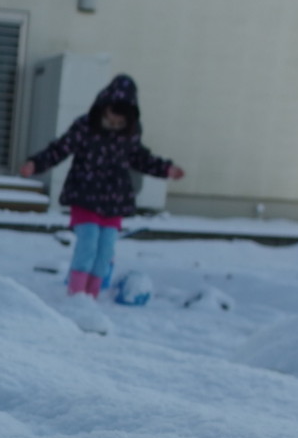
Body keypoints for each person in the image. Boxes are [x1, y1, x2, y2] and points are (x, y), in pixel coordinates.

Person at [20, 74, 184, 299]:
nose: (115, 125)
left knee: (105, 251)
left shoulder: (130, 134)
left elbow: (141, 158)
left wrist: (166, 169)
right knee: (88, 244)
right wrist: (35, 163)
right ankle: (76, 295)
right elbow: (59, 149)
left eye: (121, 122)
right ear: (103, 107)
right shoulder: (85, 126)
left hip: (113, 201)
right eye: (112, 119)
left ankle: (92, 296)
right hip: (85, 196)